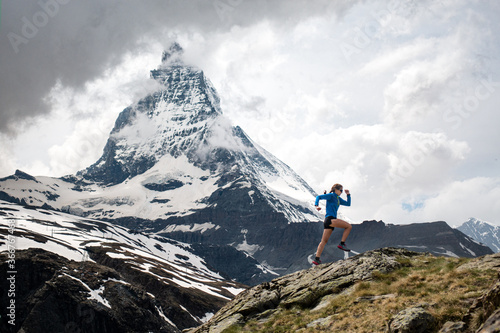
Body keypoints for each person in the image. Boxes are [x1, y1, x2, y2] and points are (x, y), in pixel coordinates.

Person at [312, 183, 352, 265]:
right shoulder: (331, 195)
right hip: (330, 219)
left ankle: (317, 259)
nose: (341, 192)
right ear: (336, 190)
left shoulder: (338, 198)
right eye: (340, 190)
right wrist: (316, 206)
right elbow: (318, 197)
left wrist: (348, 195)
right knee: (348, 226)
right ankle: (342, 244)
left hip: (328, 221)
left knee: (323, 241)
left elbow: (348, 204)